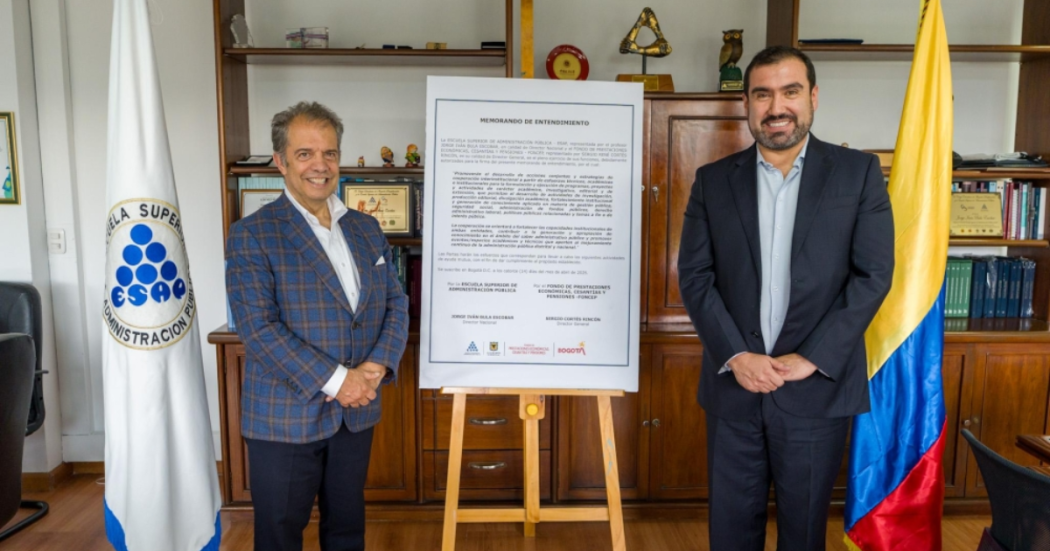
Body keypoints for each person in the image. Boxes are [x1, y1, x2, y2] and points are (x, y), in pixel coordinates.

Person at [677, 46, 894, 551]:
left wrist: (810, 358)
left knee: (803, 535)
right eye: (763, 94)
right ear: (748, 104)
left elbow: (873, 275)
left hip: (816, 391)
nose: (777, 106)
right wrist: (737, 355)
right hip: (735, 389)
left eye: (790, 91)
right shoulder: (713, 181)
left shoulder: (857, 174)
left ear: (813, 98)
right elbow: (695, 276)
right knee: (731, 534)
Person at [226, 101, 408, 551]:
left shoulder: (365, 228)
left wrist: (378, 368)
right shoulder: (252, 235)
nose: (320, 166)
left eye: (329, 153)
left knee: (347, 532)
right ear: (281, 162)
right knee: (280, 537)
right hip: (285, 418)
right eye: (305, 153)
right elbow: (259, 329)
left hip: (356, 411)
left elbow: (396, 303)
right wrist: (338, 380)